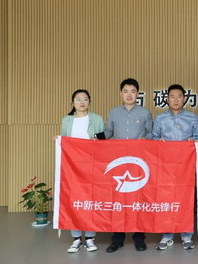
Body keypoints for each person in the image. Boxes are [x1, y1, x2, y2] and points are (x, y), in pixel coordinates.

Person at [104, 78, 153, 253]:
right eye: (126, 91)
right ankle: (117, 238)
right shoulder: (113, 113)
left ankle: (139, 238)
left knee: (138, 199)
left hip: (138, 162)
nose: (129, 95)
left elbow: (151, 134)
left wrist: (145, 140)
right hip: (118, 162)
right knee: (118, 199)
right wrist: (92, 140)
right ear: (121, 93)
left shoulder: (145, 113)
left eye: (133, 91)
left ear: (138, 94)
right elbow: (108, 133)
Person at [152, 84, 198, 251]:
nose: (176, 100)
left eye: (179, 96)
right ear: (167, 99)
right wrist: (158, 142)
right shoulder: (160, 118)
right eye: (172, 96)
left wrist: (193, 141)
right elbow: (154, 138)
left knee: (186, 199)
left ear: (184, 99)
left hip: (186, 166)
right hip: (165, 166)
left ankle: (186, 235)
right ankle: (167, 235)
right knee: (166, 199)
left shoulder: (192, 118)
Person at [60, 89, 105, 253]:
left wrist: (97, 142)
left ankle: (90, 238)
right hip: (73, 168)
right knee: (75, 201)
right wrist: (58, 140)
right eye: (78, 99)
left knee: (91, 200)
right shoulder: (66, 121)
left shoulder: (97, 119)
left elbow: (103, 142)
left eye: (85, 99)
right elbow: (64, 143)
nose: (81, 102)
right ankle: (76, 238)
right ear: (72, 102)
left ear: (89, 102)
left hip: (92, 167)